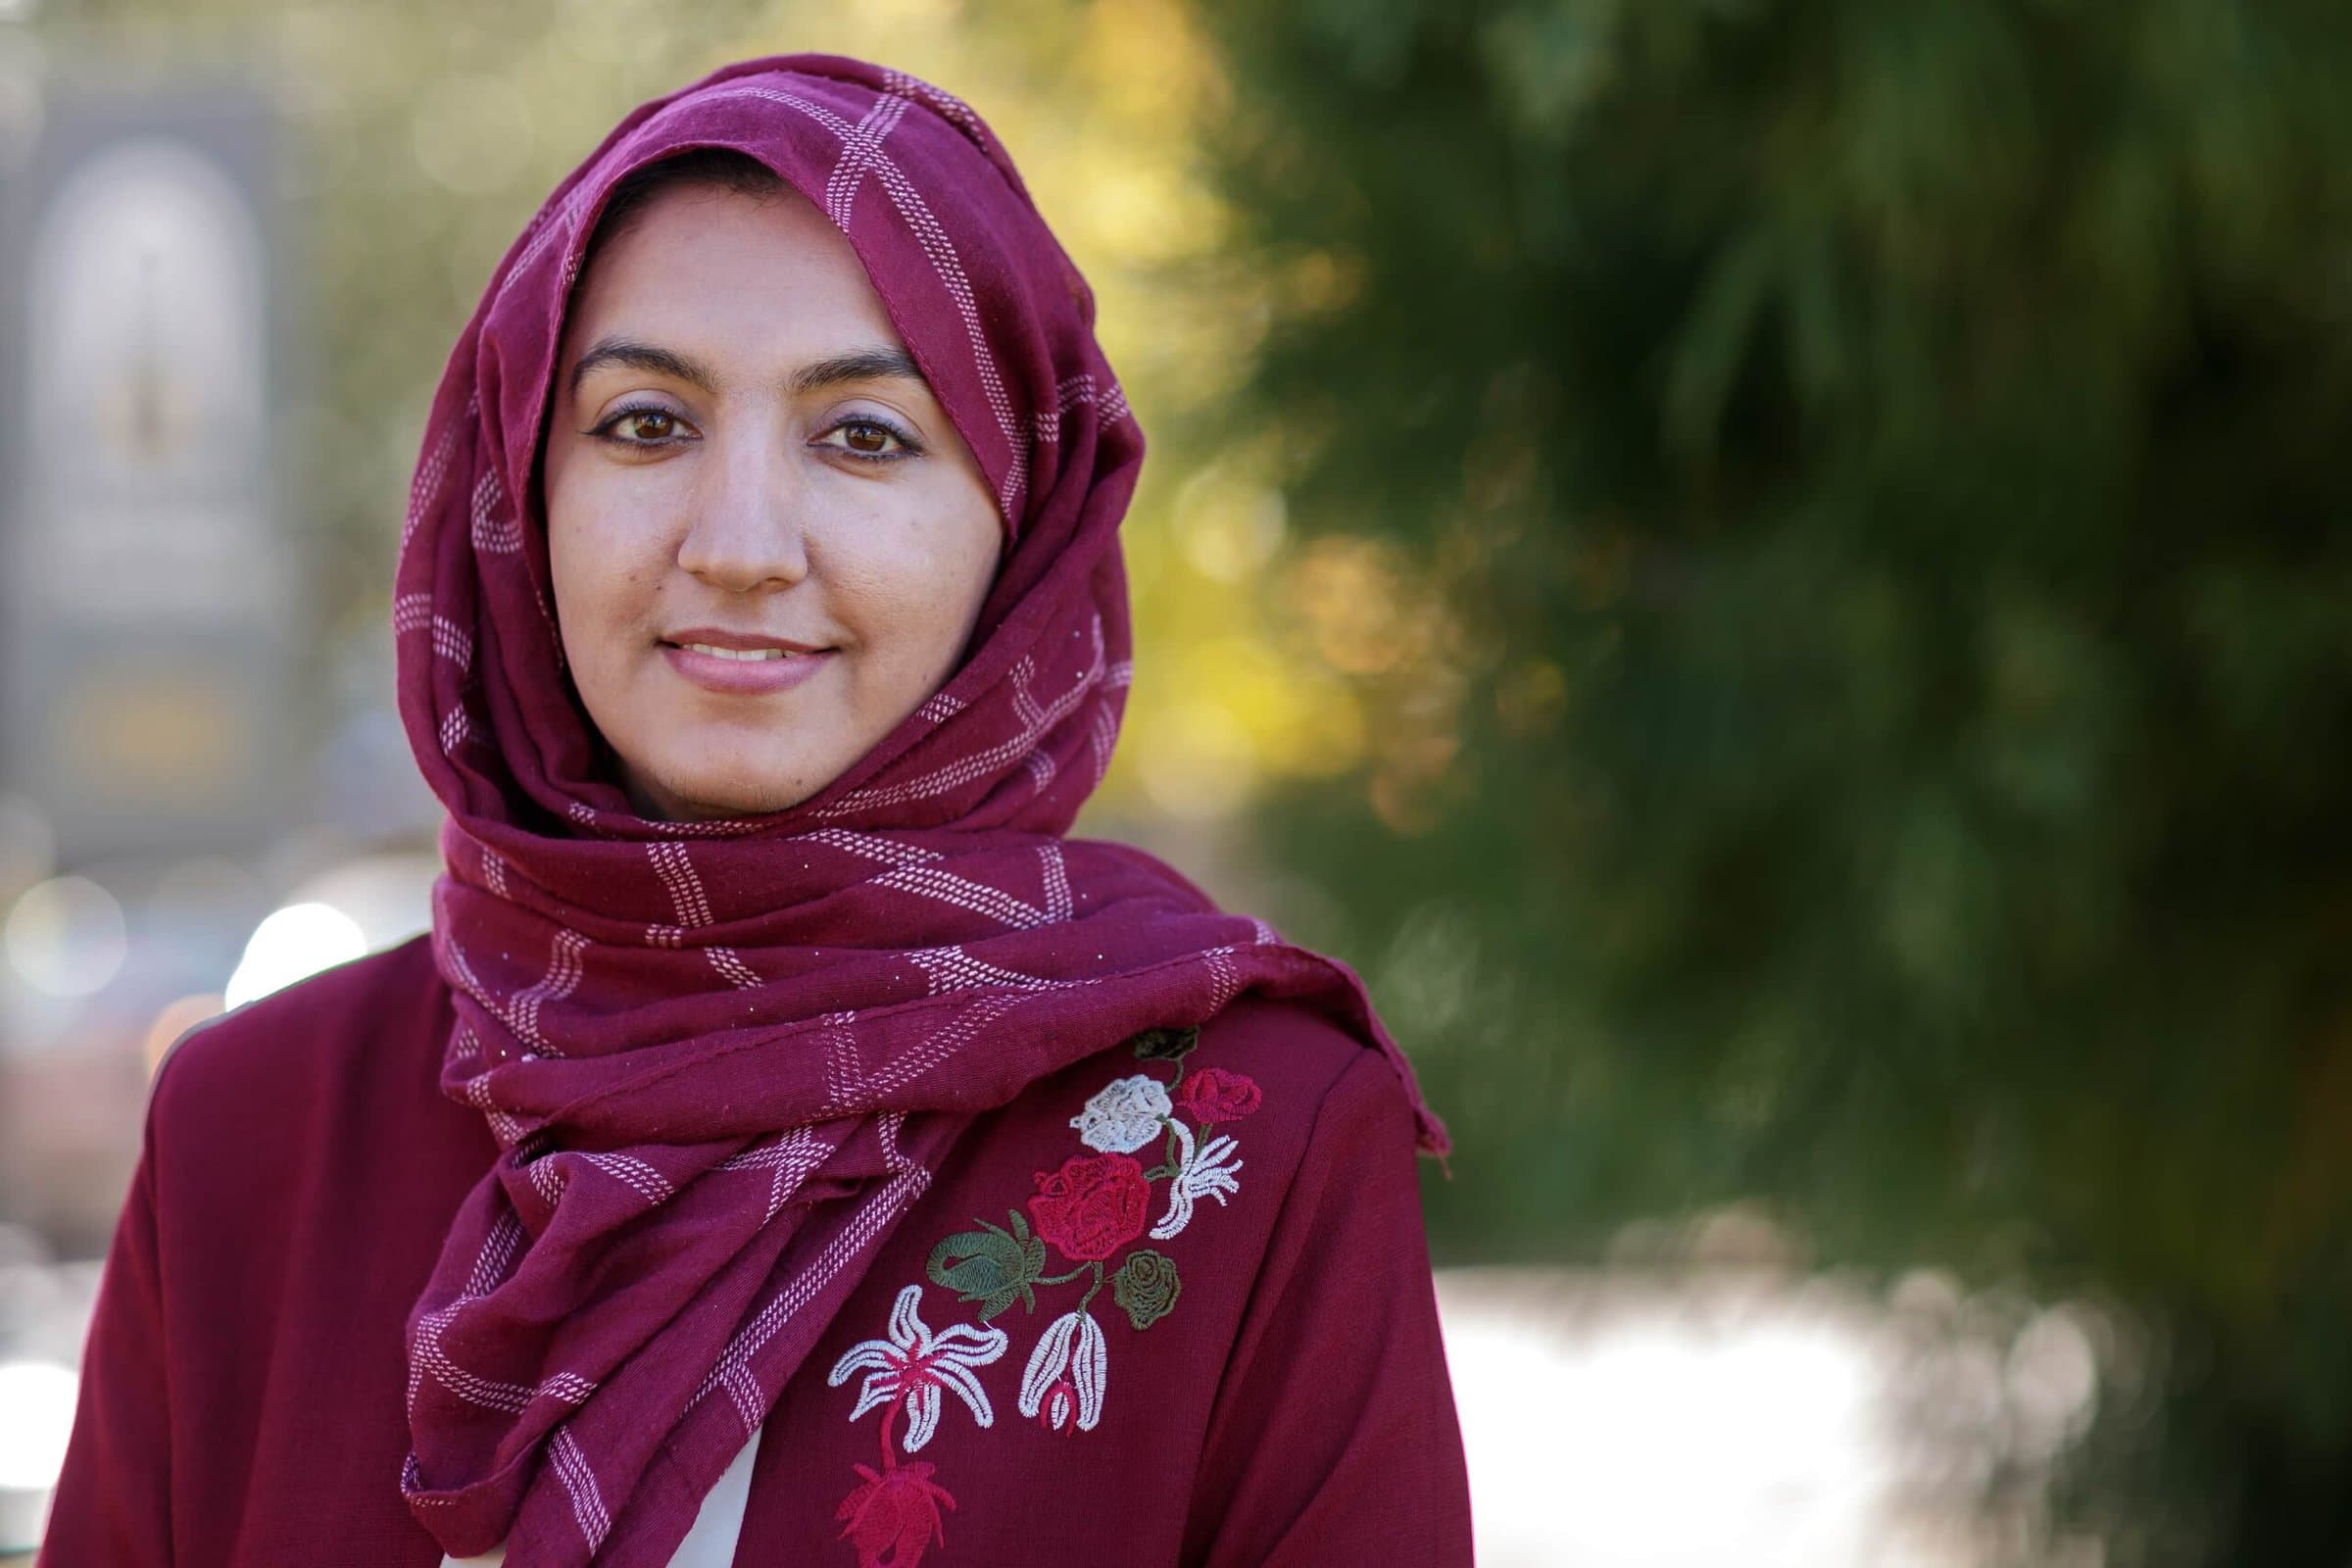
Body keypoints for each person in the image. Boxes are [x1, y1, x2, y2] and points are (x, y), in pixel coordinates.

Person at [40, 52, 1472, 1568]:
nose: (737, 545)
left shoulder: (1254, 1138)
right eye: (646, 424)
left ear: (1023, 523)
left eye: (863, 435)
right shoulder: (256, 1134)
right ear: (518, 497)